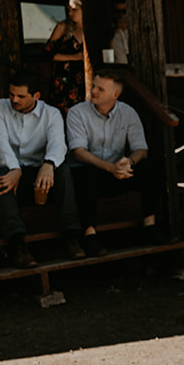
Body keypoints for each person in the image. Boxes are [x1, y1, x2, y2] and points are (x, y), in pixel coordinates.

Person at [0, 70, 85, 266]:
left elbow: (58, 143)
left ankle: (71, 236)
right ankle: (17, 244)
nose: (14, 99)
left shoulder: (51, 113)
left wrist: (48, 164)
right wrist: (14, 169)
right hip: (9, 170)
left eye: (21, 96)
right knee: (1, 177)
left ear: (36, 96)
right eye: (11, 94)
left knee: (63, 170)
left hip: (39, 175)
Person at [66, 69, 158, 255]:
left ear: (115, 94)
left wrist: (129, 162)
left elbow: (141, 149)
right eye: (93, 86)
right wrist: (110, 167)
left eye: (100, 89)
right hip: (91, 174)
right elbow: (79, 153)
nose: (94, 91)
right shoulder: (77, 112)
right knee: (85, 173)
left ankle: (150, 226)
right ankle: (89, 235)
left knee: (150, 166)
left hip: (118, 172)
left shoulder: (128, 113)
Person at [45, 0, 85, 112]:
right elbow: (48, 54)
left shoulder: (91, 29)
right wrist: (74, 57)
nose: (70, 13)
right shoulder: (63, 27)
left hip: (83, 79)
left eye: (74, 9)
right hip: (65, 78)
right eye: (68, 10)